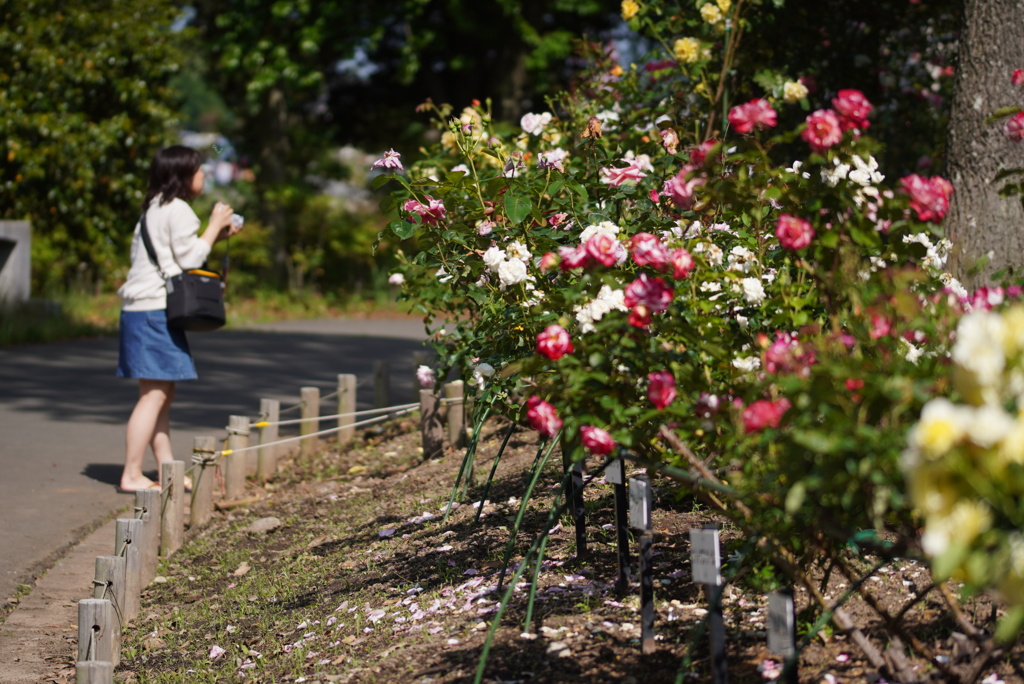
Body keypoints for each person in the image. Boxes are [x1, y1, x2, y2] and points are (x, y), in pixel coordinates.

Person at [115, 145, 243, 493]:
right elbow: (189, 259)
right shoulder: (180, 209)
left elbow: (175, 256)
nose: (203, 176)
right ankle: (131, 473)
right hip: (154, 310)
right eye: (199, 171)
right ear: (184, 175)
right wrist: (215, 224)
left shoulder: (153, 209)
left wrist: (215, 234)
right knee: (155, 395)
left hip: (140, 309)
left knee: (161, 393)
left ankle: (166, 470)